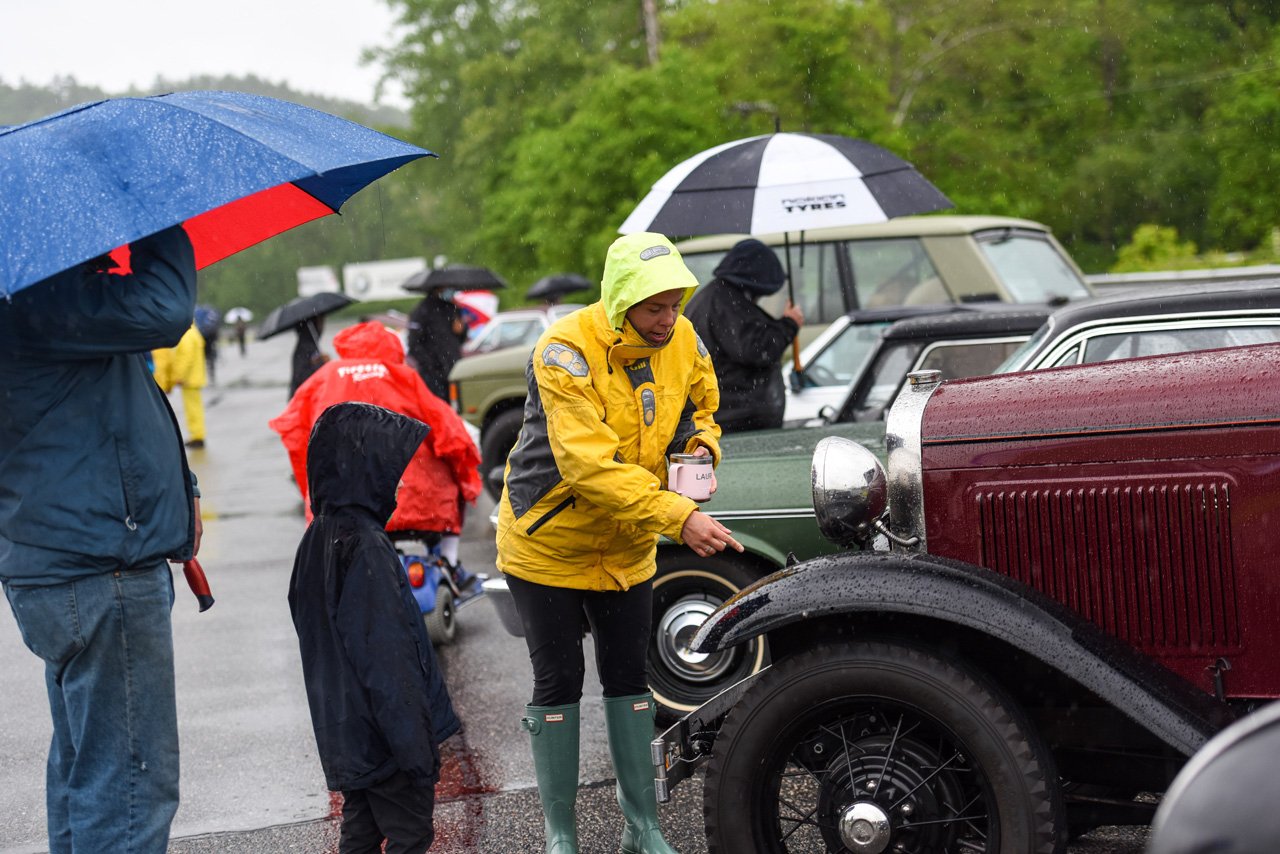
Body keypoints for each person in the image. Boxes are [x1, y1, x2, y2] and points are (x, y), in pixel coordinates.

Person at [495, 232, 743, 854]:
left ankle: (643, 826)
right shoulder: (563, 351)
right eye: (655, 307)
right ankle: (560, 835)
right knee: (558, 680)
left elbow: (702, 404)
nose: (668, 319)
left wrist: (700, 451)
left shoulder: (682, 337)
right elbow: (589, 467)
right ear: (621, 299)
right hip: (546, 544)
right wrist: (676, 515)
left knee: (629, 678)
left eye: (676, 304)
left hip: (628, 543)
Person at [0, 225, 202, 854]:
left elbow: (107, 413)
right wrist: (158, 216)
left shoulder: (39, 305)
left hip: (65, 566)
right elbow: (166, 309)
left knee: (89, 774)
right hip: (97, 571)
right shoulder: (46, 300)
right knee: (128, 790)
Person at [288, 401, 461, 854]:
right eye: (391, 470)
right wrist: (415, 750)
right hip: (386, 739)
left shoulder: (319, 537)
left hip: (351, 735)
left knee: (361, 832)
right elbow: (388, 659)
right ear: (364, 471)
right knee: (410, 833)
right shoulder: (365, 547)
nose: (400, 481)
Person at [269, 320, 484, 596]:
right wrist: (465, 476)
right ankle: (450, 563)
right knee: (448, 491)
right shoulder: (402, 375)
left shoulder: (325, 376)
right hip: (416, 502)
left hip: (344, 505)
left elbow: (297, 434)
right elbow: (450, 432)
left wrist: (312, 494)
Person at [682, 238, 805, 432]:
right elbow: (757, 350)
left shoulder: (715, 297)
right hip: (738, 420)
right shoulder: (727, 303)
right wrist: (789, 324)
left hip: (725, 416)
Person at [153, 322, 209, 449]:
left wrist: (177, 376)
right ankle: (197, 434)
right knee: (194, 409)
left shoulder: (187, 335)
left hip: (189, 379)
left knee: (193, 410)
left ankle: (197, 436)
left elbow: (185, 359)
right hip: (194, 378)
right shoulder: (194, 332)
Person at [407, 286, 467, 400]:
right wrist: (431, 365)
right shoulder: (421, 310)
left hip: (453, 367)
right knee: (437, 406)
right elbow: (414, 344)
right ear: (436, 288)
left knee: (456, 405)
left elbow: (460, 340)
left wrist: (461, 331)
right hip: (432, 373)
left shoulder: (452, 308)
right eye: (444, 288)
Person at [290, 316, 329, 398]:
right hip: (302, 400)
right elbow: (301, 377)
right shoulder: (305, 347)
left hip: (305, 398)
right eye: (320, 322)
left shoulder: (309, 345)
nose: (322, 326)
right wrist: (321, 363)